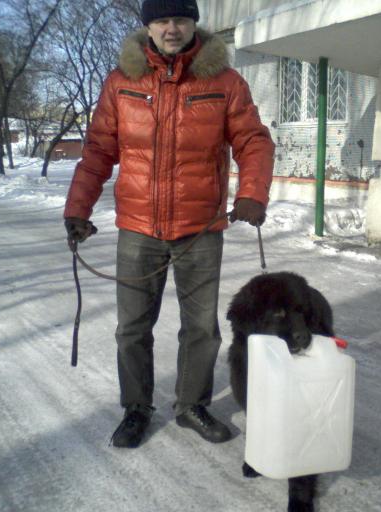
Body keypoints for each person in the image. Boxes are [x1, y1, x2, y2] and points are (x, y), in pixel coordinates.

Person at [63, 0, 274, 449]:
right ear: (148, 26)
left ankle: (191, 405)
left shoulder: (224, 82)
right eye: (161, 19)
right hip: (139, 227)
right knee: (132, 328)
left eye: (180, 18)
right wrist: (78, 208)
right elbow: (99, 149)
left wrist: (252, 194)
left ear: (193, 22)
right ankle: (136, 408)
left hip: (200, 228)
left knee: (201, 328)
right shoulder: (123, 82)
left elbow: (254, 141)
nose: (171, 28)